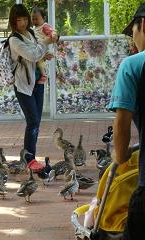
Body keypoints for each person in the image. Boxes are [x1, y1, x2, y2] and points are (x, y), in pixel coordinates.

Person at [108, 3, 145, 240]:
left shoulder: (133, 65)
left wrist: (119, 157)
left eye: (133, 33)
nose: (134, 41)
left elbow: (122, 122)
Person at [8, 4, 58, 172]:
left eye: (24, 19)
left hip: (37, 82)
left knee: (36, 122)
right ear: (13, 22)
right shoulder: (14, 39)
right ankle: (29, 159)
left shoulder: (30, 33)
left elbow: (38, 52)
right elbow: (33, 54)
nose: (22, 23)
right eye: (18, 20)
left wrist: (44, 51)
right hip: (23, 86)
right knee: (33, 121)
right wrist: (44, 44)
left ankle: (29, 157)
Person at [31, 7, 58, 84]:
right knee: (38, 61)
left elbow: (52, 32)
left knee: (39, 61)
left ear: (43, 18)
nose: (34, 21)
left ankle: (44, 75)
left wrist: (53, 35)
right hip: (37, 48)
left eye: (37, 19)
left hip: (43, 48)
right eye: (33, 19)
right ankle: (42, 74)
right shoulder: (33, 28)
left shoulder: (44, 26)